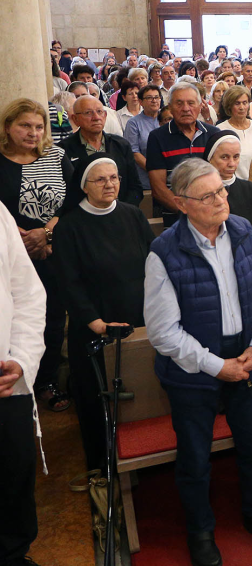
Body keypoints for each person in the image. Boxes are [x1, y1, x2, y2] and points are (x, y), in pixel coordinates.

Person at [143, 159, 252, 566]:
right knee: (194, 457)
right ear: (181, 202)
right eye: (208, 196)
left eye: (221, 191)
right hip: (193, 371)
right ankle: (200, 530)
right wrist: (215, 366)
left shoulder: (242, 230)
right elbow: (163, 332)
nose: (222, 200)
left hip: (246, 357)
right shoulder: (164, 252)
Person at [54, 155, 155, 470]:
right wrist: (96, 323)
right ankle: (104, 465)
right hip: (96, 327)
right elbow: (68, 283)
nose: (110, 184)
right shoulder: (69, 227)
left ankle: (144, 456)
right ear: (84, 186)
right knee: (99, 398)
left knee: (140, 391)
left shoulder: (132, 215)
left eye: (115, 177)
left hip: (139, 320)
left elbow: (153, 263)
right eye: (100, 179)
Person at [0, 99, 72, 412]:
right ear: (7, 127)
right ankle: (14, 376)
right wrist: (16, 235)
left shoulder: (55, 155)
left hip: (52, 249)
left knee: (52, 317)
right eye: (25, 126)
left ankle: (46, 381)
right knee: (13, 318)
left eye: (39, 127)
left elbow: (74, 199)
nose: (33, 133)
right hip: (9, 252)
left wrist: (48, 232)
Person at [0, 205, 46, 566]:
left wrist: (20, 358)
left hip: (8, 379)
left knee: (14, 472)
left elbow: (27, 293)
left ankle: (13, 555)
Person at [145, 83, 220, 226]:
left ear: (200, 106)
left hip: (212, 217)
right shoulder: (157, 137)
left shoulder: (213, 134)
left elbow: (222, 179)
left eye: (191, 103)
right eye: (179, 103)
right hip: (176, 220)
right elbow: (158, 189)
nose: (186, 109)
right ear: (170, 107)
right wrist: (190, 213)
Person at [201, 132, 252, 258]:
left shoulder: (251, 190)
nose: (232, 163)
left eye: (236, 157)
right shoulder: (200, 193)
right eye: (224, 157)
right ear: (210, 159)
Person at [61, 95, 143, 206]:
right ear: (75, 119)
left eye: (100, 112)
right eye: (88, 113)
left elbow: (135, 188)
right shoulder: (63, 150)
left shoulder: (121, 145)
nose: (96, 117)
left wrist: (122, 209)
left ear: (105, 115)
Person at [217, 86, 252, 180]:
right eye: (237, 103)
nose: (241, 107)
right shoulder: (220, 130)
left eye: (245, 103)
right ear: (229, 105)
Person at [126, 85, 164, 191]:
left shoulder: (167, 119)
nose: (154, 101)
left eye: (157, 97)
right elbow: (134, 153)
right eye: (149, 98)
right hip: (146, 180)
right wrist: (155, 171)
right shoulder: (134, 123)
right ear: (141, 102)